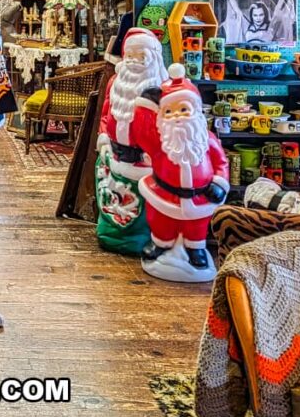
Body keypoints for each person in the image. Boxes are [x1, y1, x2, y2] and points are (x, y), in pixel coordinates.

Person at [138, 65, 229, 282]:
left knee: (196, 225)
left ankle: (195, 247)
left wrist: (219, 182)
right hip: (164, 192)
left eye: (183, 109)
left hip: (199, 194)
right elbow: (142, 134)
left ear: (195, 110)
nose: (177, 117)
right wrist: (144, 105)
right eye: (169, 111)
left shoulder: (206, 140)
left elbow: (221, 162)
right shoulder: (162, 141)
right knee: (160, 219)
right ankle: (161, 243)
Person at [94, 28, 168, 255]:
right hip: (115, 155)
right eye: (130, 55)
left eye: (141, 55)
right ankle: (111, 235)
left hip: (145, 160)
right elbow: (107, 112)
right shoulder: (116, 82)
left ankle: (149, 240)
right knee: (112, 198)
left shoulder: (161, 87)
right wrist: (104, 137)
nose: (135, 61)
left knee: (147, 206)